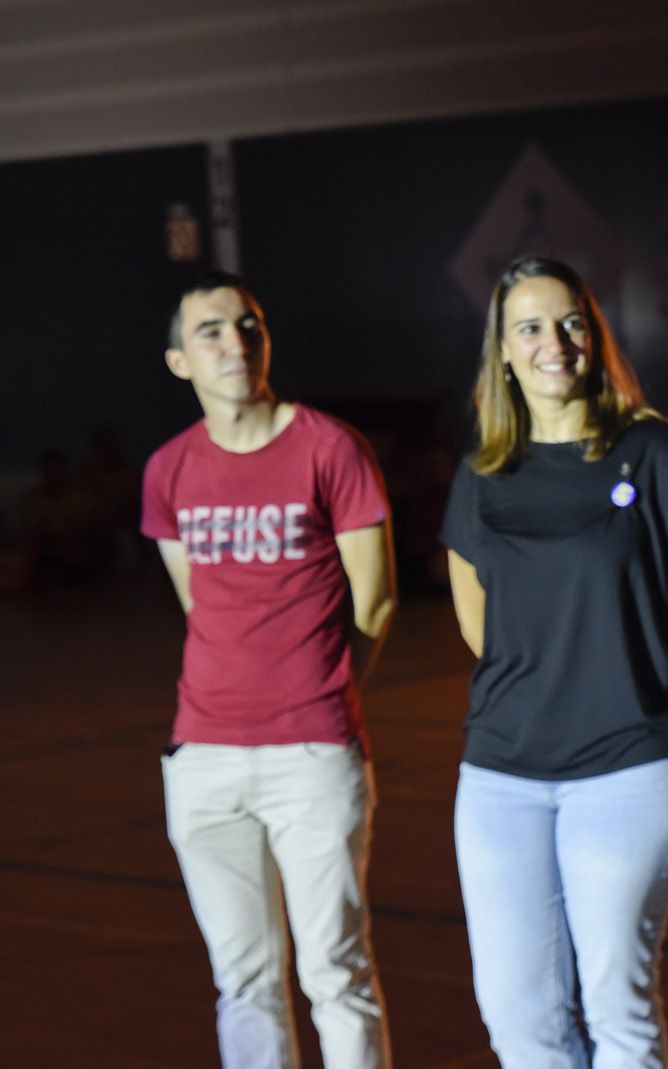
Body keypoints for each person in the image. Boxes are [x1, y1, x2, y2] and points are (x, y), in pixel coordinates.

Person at [440, 256, 668, 1068]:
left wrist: (647, 687)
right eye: (529, 327)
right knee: (519, 1019)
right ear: (502, 350)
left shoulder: (652, 450)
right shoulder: (481, 475)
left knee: (617, 1006)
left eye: (570, 322)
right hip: (502, 776)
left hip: (630, 765)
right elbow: (482, 633)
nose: (553, 342)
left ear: (594, 333)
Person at [141, 272, 396, 1068]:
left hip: (311, 753)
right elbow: (198, 602)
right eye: (211, 331)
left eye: (248, 325)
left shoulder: (330, 447)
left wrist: (314, 691)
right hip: (204, 758)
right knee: (243, 978)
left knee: (334, 970)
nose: (234, 342)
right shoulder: (168, 470)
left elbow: (376, 602)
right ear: (179, 360)